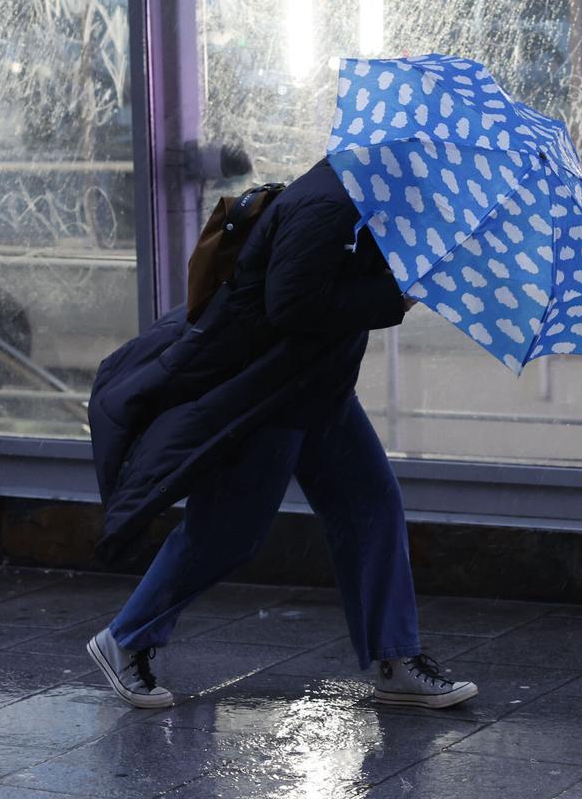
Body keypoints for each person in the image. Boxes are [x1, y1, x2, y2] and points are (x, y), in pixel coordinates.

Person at [86, 157, 478, 710]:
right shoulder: (325, 204)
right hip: (270, 394)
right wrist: (396, 297)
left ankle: (396, 659)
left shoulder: (366, 202)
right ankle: (124, 638)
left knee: (371, 504)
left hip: (318, 390)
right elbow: (289, 305)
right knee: (226, 532)